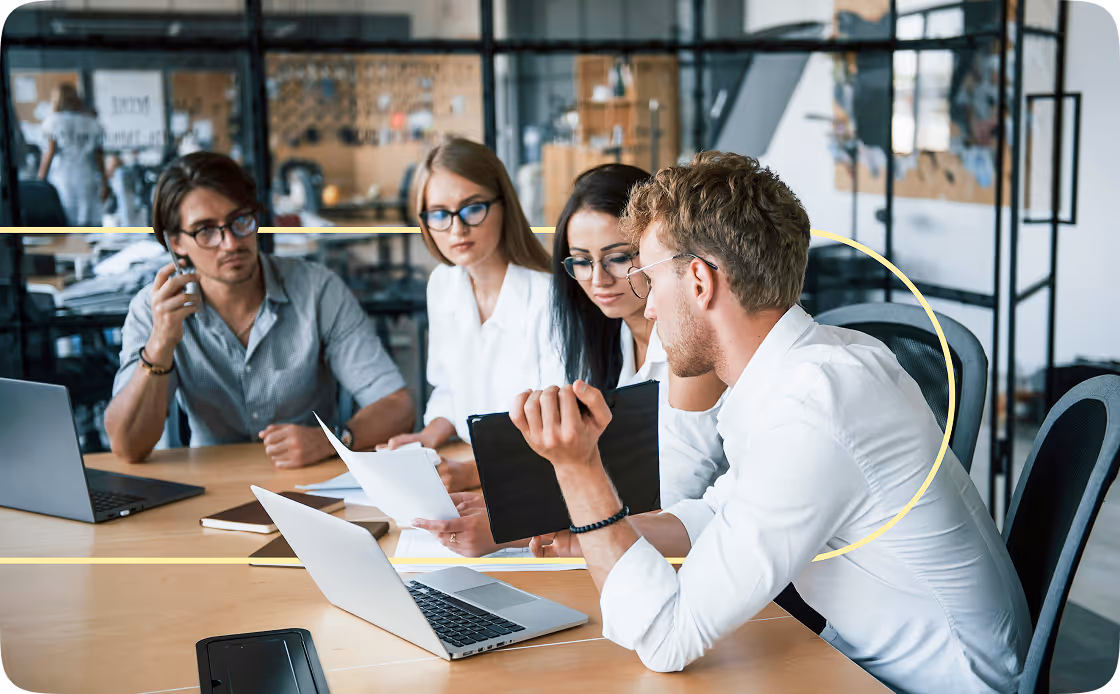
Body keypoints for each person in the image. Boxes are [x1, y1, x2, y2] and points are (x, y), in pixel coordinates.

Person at [509, 152, 1031, 694]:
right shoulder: (815, 364)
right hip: (868, 664)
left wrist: (579, 470)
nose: (651, 309)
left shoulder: (810, 411)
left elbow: (666, 639)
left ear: (699, 281)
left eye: (649, 279)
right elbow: (719, 513)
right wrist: (593, 535)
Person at [411, 164, 730, 558]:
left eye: (618, 257)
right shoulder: (611, 335)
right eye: (581, 260)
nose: (598, 280)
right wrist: (512, 509)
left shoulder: (690, 339)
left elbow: (668, 495)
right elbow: (611, 472)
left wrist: (515, 528)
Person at [104, 152, 415, 467]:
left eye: (240, 220)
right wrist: (159, 346)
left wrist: (331, 439)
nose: (230, 243)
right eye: (205, 230)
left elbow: (398, 406)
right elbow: (127, 447)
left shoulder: (317, 290)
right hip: (211, 480)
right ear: (177, 243)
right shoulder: (155, 309)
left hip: (310, 476)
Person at [380, 137, 561, 492]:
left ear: (504, 205)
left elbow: (558, 422)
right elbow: (449, 387)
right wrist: (427, 437)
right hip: (467, 460)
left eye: (472, 208)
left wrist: (474, 474)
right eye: (439, 214)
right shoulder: (443, 284)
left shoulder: (549, 295)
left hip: (534, 479)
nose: (457, 229)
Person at [38, 83, 108, 226]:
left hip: (63, 178)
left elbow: (49, 153)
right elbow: (98, 156)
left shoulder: (53, 121)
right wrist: (105, 182)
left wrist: (39, 181)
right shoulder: (92, 122)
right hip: (87, 176)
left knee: (67, 223)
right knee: (89, 222)